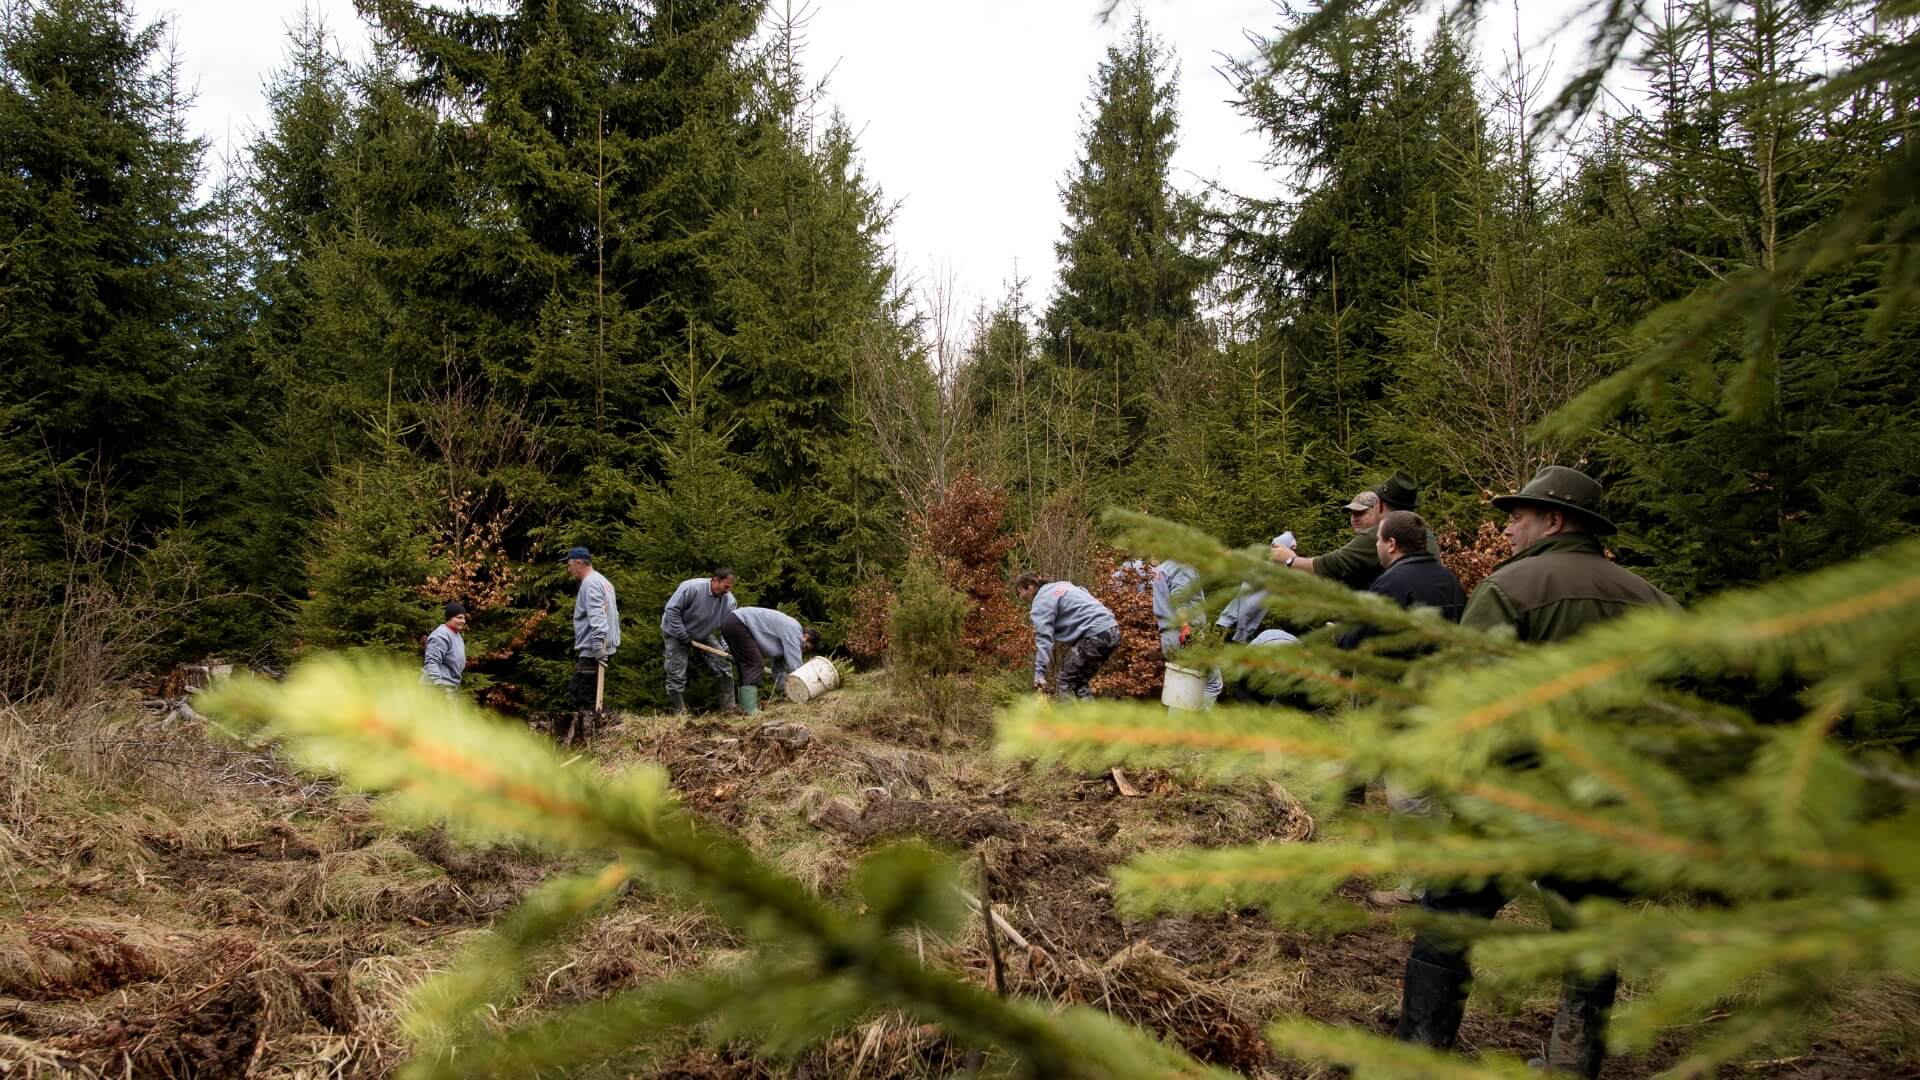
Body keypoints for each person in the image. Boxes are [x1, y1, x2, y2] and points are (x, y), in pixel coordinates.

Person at [1394, 466, 1678, 1078]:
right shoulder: (1650, 596)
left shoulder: (1512, 587)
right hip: (1603, 802)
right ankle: (1573, 1064)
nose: (1509, 528)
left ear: (1552, 520)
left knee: (1446, 926)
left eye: (1517, 517)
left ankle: (1419, 1060)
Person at [1275, 472, 1437, 589]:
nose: (1354, 518)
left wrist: (1290, 560)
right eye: (1352, 514)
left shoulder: (1384, 533)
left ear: (1378, 506)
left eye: (1361, 513)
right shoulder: (1426, 534)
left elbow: (1332, 565)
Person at [1336, 510, 1467, 650]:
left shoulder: (1390, 584)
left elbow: (1360, 641)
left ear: (1391, 544)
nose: (1377, 544)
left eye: (1379, 539)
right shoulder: (1451, 580)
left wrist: (1338, 633)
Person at [1016, 572, 1119, 700]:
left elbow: (1044, 639)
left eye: (1019, 593)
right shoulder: (1062, 585)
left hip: (1094, 635)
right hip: (1112, 630)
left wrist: (1039, 674)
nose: (1020, 597)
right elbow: (1084, 592)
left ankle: (1067, 719)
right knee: (1079, 683)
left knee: (1065, 681)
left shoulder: (1040, 601)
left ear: (1030, 588)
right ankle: (1091, 718)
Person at [660, 568, 738, 714]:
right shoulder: (691, 588)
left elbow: (727, 628)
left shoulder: (729, 601)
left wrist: (727, 649)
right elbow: (671, 610)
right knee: (676, 673)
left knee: (724, 665)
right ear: (715, 580)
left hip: (703, 633)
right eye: (725, 587)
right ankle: (680, 713)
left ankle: (729, 709)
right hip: (676, 634)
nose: (727, 591)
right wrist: (682, 635)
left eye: (730, 588)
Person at [721, 606, 818, 713]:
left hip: (732, 622)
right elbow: (796, 667)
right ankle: (751, 711)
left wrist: (787, 692)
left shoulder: (784, 644)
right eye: (806, 647)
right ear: (805, 636)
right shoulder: (794, 630)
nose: (803, 651)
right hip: (738, 622)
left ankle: (745, 710)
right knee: (755, 664)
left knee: (745, 666)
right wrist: (807, 688)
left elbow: (778, 672)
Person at [1151, 559, 1222, 705]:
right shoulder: (1182, 566)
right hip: (1187, 635)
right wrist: (1185, 627)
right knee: (1212, 683)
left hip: (1169, 635)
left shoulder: (1163, 567)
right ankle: (1197, 724)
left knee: (1181, 691)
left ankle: (1176, 726)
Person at [565, 548, 620, 722]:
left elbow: (598, 617)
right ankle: (607, 724)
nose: (569, 569)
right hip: (601, 646)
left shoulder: (590, 584)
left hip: (594, 648)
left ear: (579, 563)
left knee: (585, 696)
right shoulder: (603, 581)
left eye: (570, 565)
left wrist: (598, 646)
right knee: (577, 690)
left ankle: (606, 729)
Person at [421, 601, 468, 691]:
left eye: (464, 618)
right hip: (435, 689)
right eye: (459, 617)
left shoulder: (456, 634)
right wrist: (438, 684)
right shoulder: (440, 635)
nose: (462, 621)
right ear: (449, 618)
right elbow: (431, 662)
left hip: (450, 686)